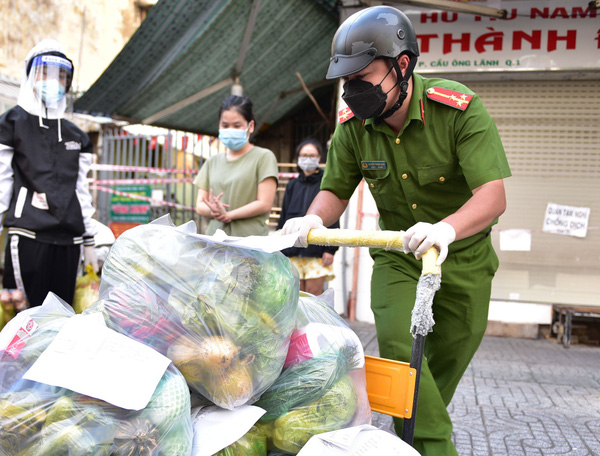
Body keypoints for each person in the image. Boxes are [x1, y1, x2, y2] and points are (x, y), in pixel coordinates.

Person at [281, 6, 511, 455]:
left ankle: (410, 440)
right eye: (347, 81)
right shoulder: (353, 127)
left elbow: (492, 196)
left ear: (402, 65)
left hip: (464, 260)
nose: (354, 92)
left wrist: (445, 229)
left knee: (430, 382)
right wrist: (314, 218)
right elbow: (335, 190)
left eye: (363, 76)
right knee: (401, 351)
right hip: (398, 257)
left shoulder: (458, 109)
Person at [0, 39, 98, 309]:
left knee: (63, 317)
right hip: (28, 235)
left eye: (62, 75)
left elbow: (82, 190)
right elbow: (0, 183)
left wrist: (90, 241)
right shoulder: (10, 125)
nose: (54, 81)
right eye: (45, 72)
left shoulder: (76, 136)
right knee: (27, 316)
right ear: (30, 75)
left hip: (71, 240)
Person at [194, 95, 278, 236]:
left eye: (237, 126)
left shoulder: (264, 157)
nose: (230, 129)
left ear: (250, 126)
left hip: (249, 244)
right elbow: (200, 205)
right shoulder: (212, 162)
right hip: (215, 241)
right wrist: (215, 211)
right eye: (225, 125)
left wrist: (229, 215)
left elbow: (264, 203)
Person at [277, 138, 339, 295]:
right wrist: (279, 245)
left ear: (319, 158)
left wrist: (330, 250)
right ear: (298, 157)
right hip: (292, 251)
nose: (307, 159)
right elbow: (284, 215)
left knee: (313, 296)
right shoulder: (292, 185)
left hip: (316, 252)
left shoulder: (325, 183)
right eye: (304, 155)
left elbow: (333, 214)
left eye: (312, 155)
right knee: (293, 297)